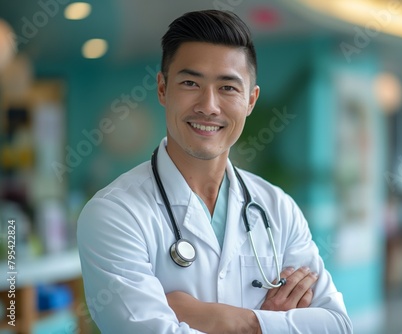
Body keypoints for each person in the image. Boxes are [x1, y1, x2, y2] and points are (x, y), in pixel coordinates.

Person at [77, 9, 352, 334]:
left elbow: (337, 325)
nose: (209, 105)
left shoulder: (278, 209)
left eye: (228, 88)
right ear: (163, 89)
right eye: (191, 82)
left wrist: (235, 321)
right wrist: (275, 320)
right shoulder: (114, 214)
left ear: (251, 100)